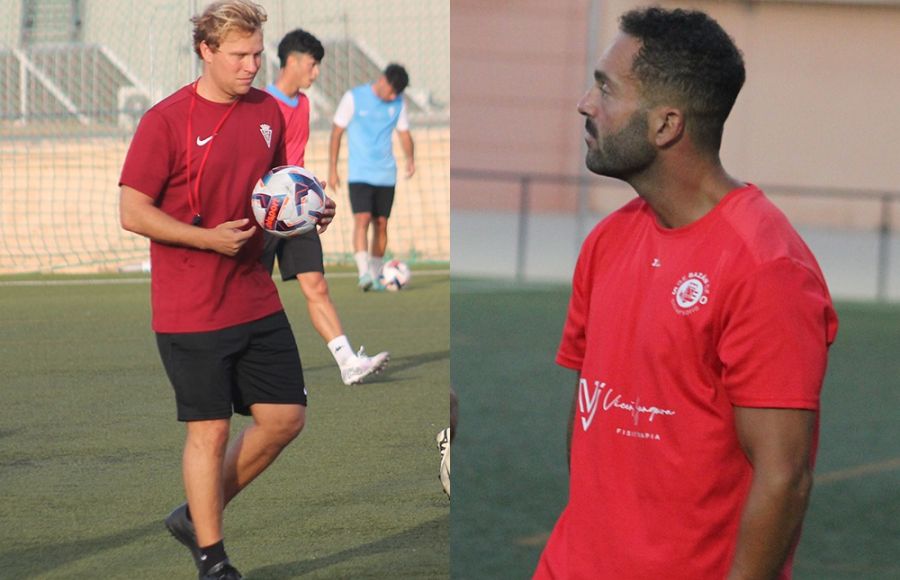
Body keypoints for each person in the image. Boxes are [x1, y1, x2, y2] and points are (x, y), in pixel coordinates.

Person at [533, 8, 839, 580]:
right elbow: (590, 416)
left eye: (605, 88)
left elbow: (784, 476)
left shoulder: (766, 266)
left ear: (666, 125)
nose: (584, 103)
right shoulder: (607, 241)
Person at [118, 2, 333, 579]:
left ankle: (196, 515)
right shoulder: (165, 121)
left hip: (254, 295)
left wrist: (312, 208)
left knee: (285, 418)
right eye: (239, 55)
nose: (252, 66)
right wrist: (205, 239)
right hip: (190, 307)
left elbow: (280, 189)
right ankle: (213, 560)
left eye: (258, 54)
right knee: (209, 431)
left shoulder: (269, 110)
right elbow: (132, 212)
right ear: (206, 52)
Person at [262, 28, 389, 385]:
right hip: (263, 214)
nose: (316, 73)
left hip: (298, 212)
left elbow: (295, 162)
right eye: (313, 65)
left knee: (316, 285)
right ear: (292, 61)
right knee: (249, 294)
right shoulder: (259, 103)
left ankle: (348, 363)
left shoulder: (303, 104)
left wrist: (317, 197)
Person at [328, 63, 415, 291]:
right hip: (360, 173)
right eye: (393, 90)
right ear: (384, 81)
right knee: (362, 219)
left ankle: (377, 276)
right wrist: (332, 169)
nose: (394, 95)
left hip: (386, 174)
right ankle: (364, 273)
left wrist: (410, 159)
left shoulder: (398, 103)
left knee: (381, 224)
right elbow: (336, 133)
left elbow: (405, 134)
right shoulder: (354, 98)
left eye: (398, 93)